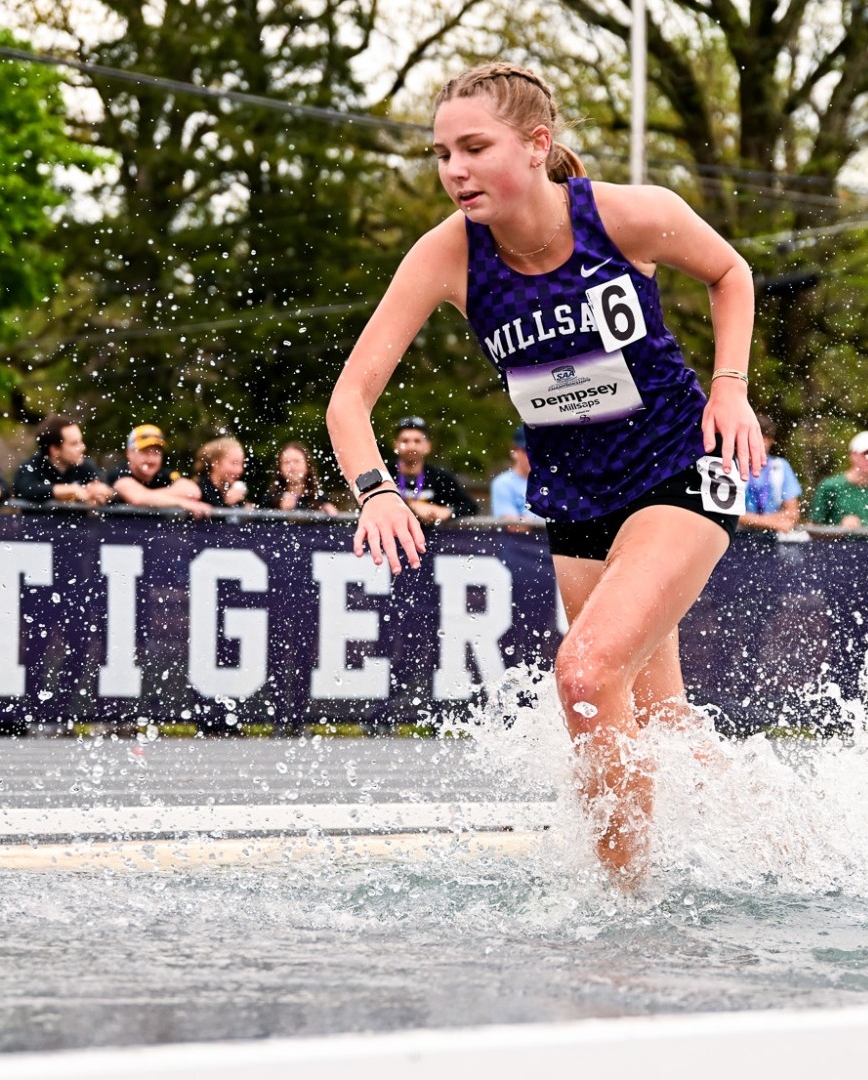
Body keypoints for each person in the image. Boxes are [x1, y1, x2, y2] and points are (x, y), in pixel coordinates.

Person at [325, 62, 762, 885]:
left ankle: (619, 905)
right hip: (580, 501)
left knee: (586, 675)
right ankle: (783, 847)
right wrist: (377, 490)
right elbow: (349, 400)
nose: (454, 169)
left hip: (681, 471)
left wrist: (731, 389)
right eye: (441, 153)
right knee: (657, 716)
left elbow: (731, 273)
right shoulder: (449, 255)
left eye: (474, 147)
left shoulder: (628, 216)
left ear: (536, 145)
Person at [387, 417, 479, 523]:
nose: (411, 446)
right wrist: (412, 506)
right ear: (395, 445)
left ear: (428, 446)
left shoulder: (440, 477)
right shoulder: (384, 473)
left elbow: (470, 507)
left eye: (417, 441)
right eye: (405, 441)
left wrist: (447, 511)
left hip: (433, 537)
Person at [108, 424, 210, 515]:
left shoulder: (164, 474)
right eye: (145, 452)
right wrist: (182, 502)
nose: (151, 459)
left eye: (156, 453)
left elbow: (193, 491)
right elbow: (137, 498)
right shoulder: (118, 473)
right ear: (129, 453)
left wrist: (150, 497)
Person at [12, 415, 112, 506]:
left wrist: (102, 491)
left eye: (81, 441)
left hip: (80, 525)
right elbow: (24, 489)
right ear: (54, 450)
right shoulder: (33, 467)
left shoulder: (85, 466)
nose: (82, 447)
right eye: (74, 444)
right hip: (39, 525)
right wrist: (69, 490)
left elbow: (105, 485)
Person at [810, 431, 868, 529]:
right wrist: (839, 529)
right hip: (835, 544)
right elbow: (812, 530)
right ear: (853, 455)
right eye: (865, 454)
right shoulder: (830, 486)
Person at [740, 414, 802, 533]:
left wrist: (751, 520)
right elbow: (728, 514)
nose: (758, 444)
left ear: (771, 440)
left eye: (765, 438)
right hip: (737, 539)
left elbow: (793, 513)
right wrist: (771, 523)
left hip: (772, 541)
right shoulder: (732, 466)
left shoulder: (780, 467)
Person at [489, 427, 545, 527]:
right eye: (526, 450)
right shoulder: (503, 483)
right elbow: (514, 526)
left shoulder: (553, 480)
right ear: (514, 451)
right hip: (522, 542)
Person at [266, 441, 339, 513]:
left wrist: (330, 516)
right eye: (286, 462)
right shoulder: (270, 499)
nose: (292, 466)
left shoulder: (320, 499)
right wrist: (281, 512)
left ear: (308, 465)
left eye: (297, 461)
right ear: (279, 468)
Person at [195, 436, 250, 508]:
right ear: (216, 463)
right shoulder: (197, 489)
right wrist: (226, 504)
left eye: (242, 463)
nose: (240, 470)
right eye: (234, 463)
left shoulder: (231, 490)